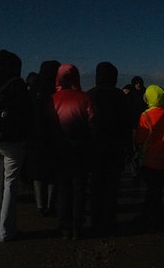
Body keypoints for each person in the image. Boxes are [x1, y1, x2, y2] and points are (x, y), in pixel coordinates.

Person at [0, 49, 31, 242]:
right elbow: (24, 112)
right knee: (10, 184)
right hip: (11, 141)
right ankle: (6, 231)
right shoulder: (17, 84)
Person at [87, 62, 132, 236]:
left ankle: (96, 222)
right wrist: (129, 147)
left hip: (95, 147)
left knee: (96, 187)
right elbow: (126, 124)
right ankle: (110, 222)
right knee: (112, 188)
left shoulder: (91, 94)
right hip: (116, 148)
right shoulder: (120, 95)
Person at [52, 64, 94, 240]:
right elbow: (93, 123)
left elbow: (49, 124)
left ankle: (65, 227)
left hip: (61, 149)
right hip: (81, 150)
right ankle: (77, 227)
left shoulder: (53, 98)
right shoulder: (85, 98)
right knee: (79, 189)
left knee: (63, 189)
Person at [133, 85, 164, 231]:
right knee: (156, 189)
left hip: (150, 159)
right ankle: (148, 216)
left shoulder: (145, 115)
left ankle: (155, 220)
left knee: (154, 190)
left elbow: (140, 139)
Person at [26, 60, 61, 216]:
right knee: (53, 173)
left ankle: (40, 206)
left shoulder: (33, 91)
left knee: (38, 173)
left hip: (35, 136)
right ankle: (50, 204)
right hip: (55, 136)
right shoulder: (57, 92)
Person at [126, 76, 148, 179]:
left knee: (143, 150)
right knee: (135, 150)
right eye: (136, 83)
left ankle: (142, 169)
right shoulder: (130, 93)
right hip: (134, 125)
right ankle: (136, 171)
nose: (138, 84)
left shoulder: (145, 93)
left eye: (140, 82)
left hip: (144, 125)